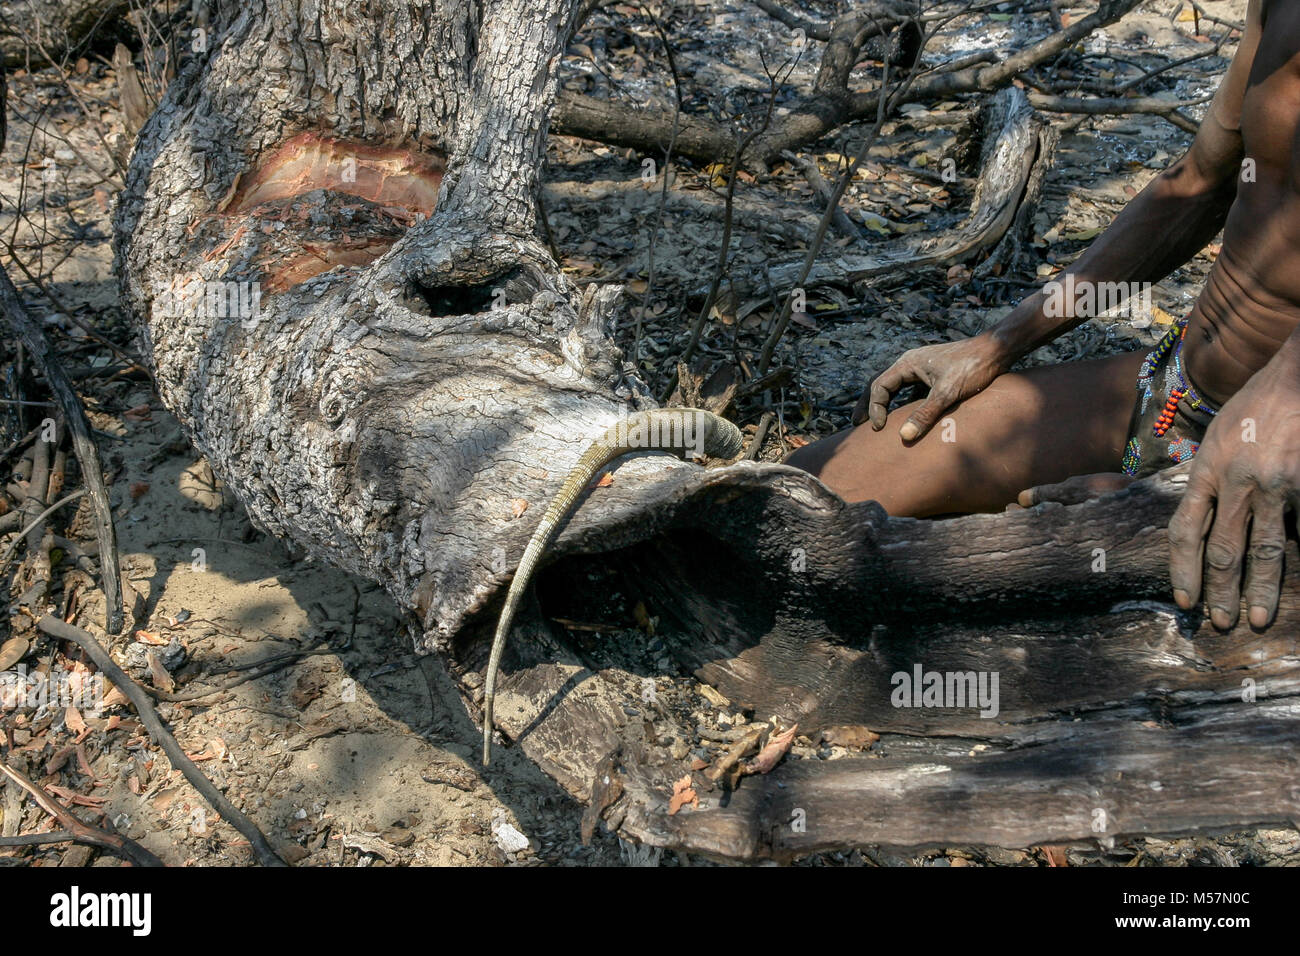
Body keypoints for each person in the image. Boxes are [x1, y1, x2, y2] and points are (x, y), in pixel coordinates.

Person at [787, 0, 1299, 632]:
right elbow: (1197, 183)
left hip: (1282, 456)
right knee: (793, 504)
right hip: (1171, 394)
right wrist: (1000, 343)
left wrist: (1268, 413)